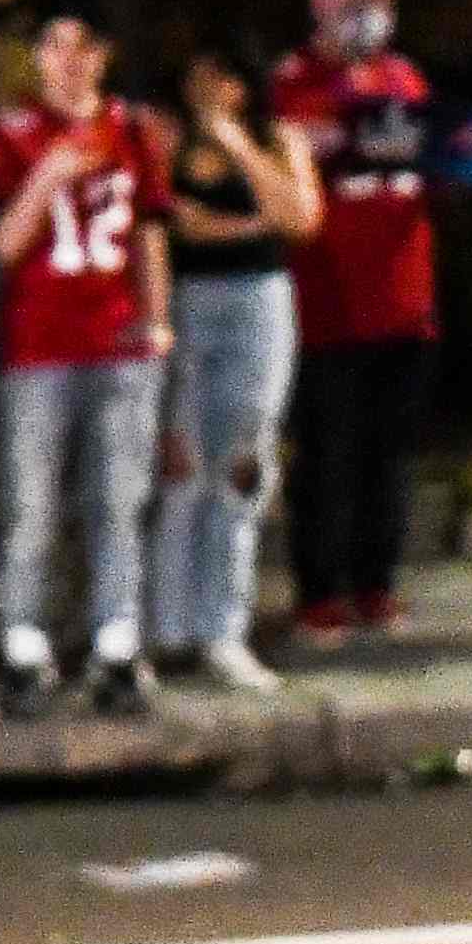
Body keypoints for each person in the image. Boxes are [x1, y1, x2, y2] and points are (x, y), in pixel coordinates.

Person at [0, 0, 173, 713]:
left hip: (118, 336)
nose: (69, 61)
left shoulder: (131, 130)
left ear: (103, 55)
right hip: (39, 341)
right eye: (55, 46)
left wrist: (158, 319)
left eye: (83, 46)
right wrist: (48, 177)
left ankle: (117, 641)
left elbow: (151, 230)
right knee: (31, 501)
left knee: (119, 499)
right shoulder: (12, 135)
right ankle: (23, 642)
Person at [275, 0, 443, 643]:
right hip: (326, 303)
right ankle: (320, 590)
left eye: (383, 0)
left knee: (388, 455)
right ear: (321, 2)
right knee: (325, 455)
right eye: (356, 0)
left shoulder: (405, 80)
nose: (371, 13)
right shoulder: (293, 85)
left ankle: (377, 583)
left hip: (404, 300)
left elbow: (439, 164)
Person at [149, 40, 319, 689]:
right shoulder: (168, 145)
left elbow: (300, 217)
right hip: (191, 301)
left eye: (222, 78)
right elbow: (180, 224)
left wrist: (239, 147)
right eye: (198, 78)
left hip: (260, 303)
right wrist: (253, 225)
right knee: (182, 462)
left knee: (245, 462)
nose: (209, 92)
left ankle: (225, 627)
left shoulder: (278, 141)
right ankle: (168, 628)